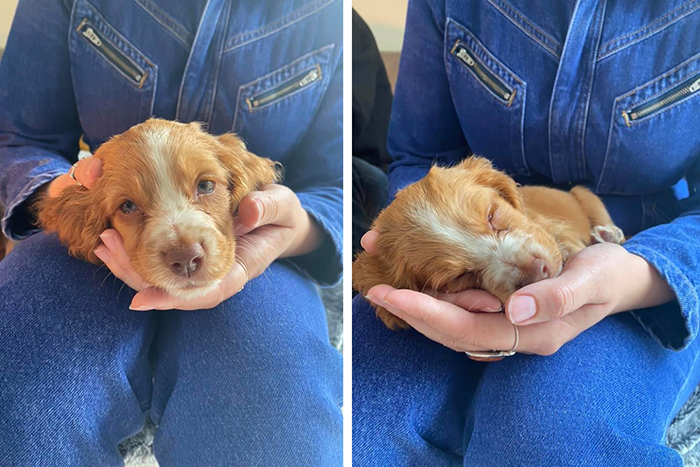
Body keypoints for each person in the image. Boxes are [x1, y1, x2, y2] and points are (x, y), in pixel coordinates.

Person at [352, 1, 700, 466]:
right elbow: (420, 155)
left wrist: (639, 273)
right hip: (447, 286)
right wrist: (406, 242)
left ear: (504, 195)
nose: (527, 264)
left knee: (548, 441)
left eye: (495, 219)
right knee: (358, 428)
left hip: (648, 257)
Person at [0, 0, 342, 465]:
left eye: (206, 186)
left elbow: (340, 182)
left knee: (278, 425)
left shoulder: (329, 15)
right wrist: (55, 192)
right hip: (101, 252)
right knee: (18, 399)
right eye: (130, 204)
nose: (183, 248)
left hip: (258, 250)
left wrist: (297, 227)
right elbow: (19, 137)